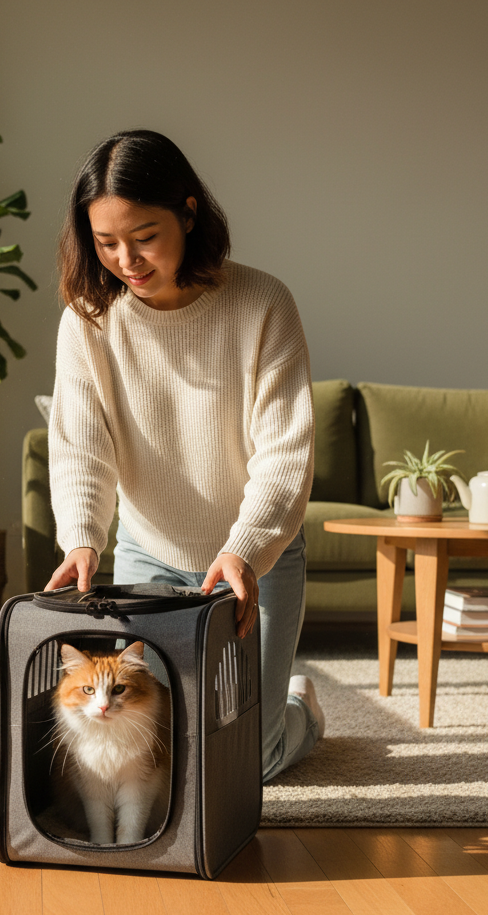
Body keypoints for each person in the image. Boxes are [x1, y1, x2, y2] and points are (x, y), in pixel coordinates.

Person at [45, 129, 324, 781]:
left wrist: (246, 548)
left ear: (189, 214)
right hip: (149, 554)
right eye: (105, 242)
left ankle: (300, 711)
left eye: (144, 236)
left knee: (250, 761)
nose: (126, 259)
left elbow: (285, 454)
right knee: (170, 744)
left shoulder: (263, 303)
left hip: (254, 562)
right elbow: (81, 443)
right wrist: (82, 536)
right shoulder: (88, 319)